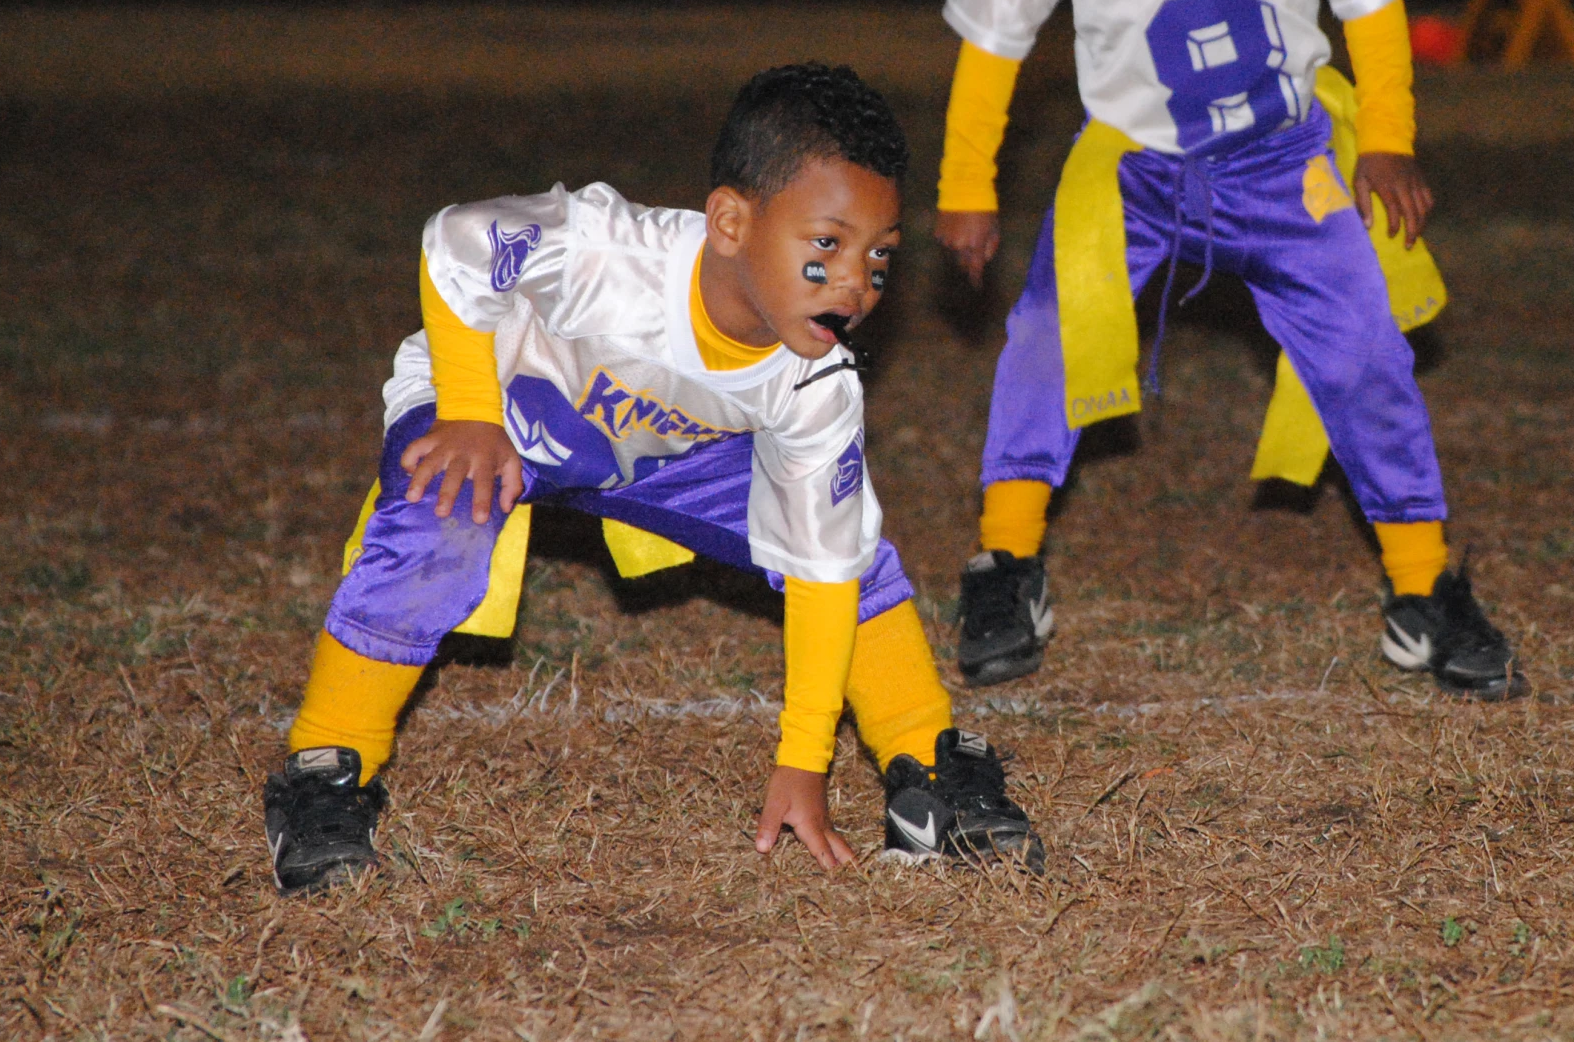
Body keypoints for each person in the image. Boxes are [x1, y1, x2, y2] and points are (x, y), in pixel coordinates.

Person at [261, 63, 1043, 895]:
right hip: (517, 406)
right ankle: (324, 768)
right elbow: (459, 239)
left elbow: (821, 569)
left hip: (668, 447)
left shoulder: (816, 385)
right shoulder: (611, 251)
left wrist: (803, 758)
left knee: (848, 545)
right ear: (731, 222)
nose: (854, 284)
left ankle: (923, 765)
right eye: (826, 248)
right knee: (442, 512)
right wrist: (467, 407)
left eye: (879, 260)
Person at [933, 0, 1527, 701]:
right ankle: (1004, 564)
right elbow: (994, 39)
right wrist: (966, 185)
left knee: (1366, 356)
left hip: (1283, 161)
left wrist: (1386, 135)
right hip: (1132, 168)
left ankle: (1421, 587)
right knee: (1042, 339)